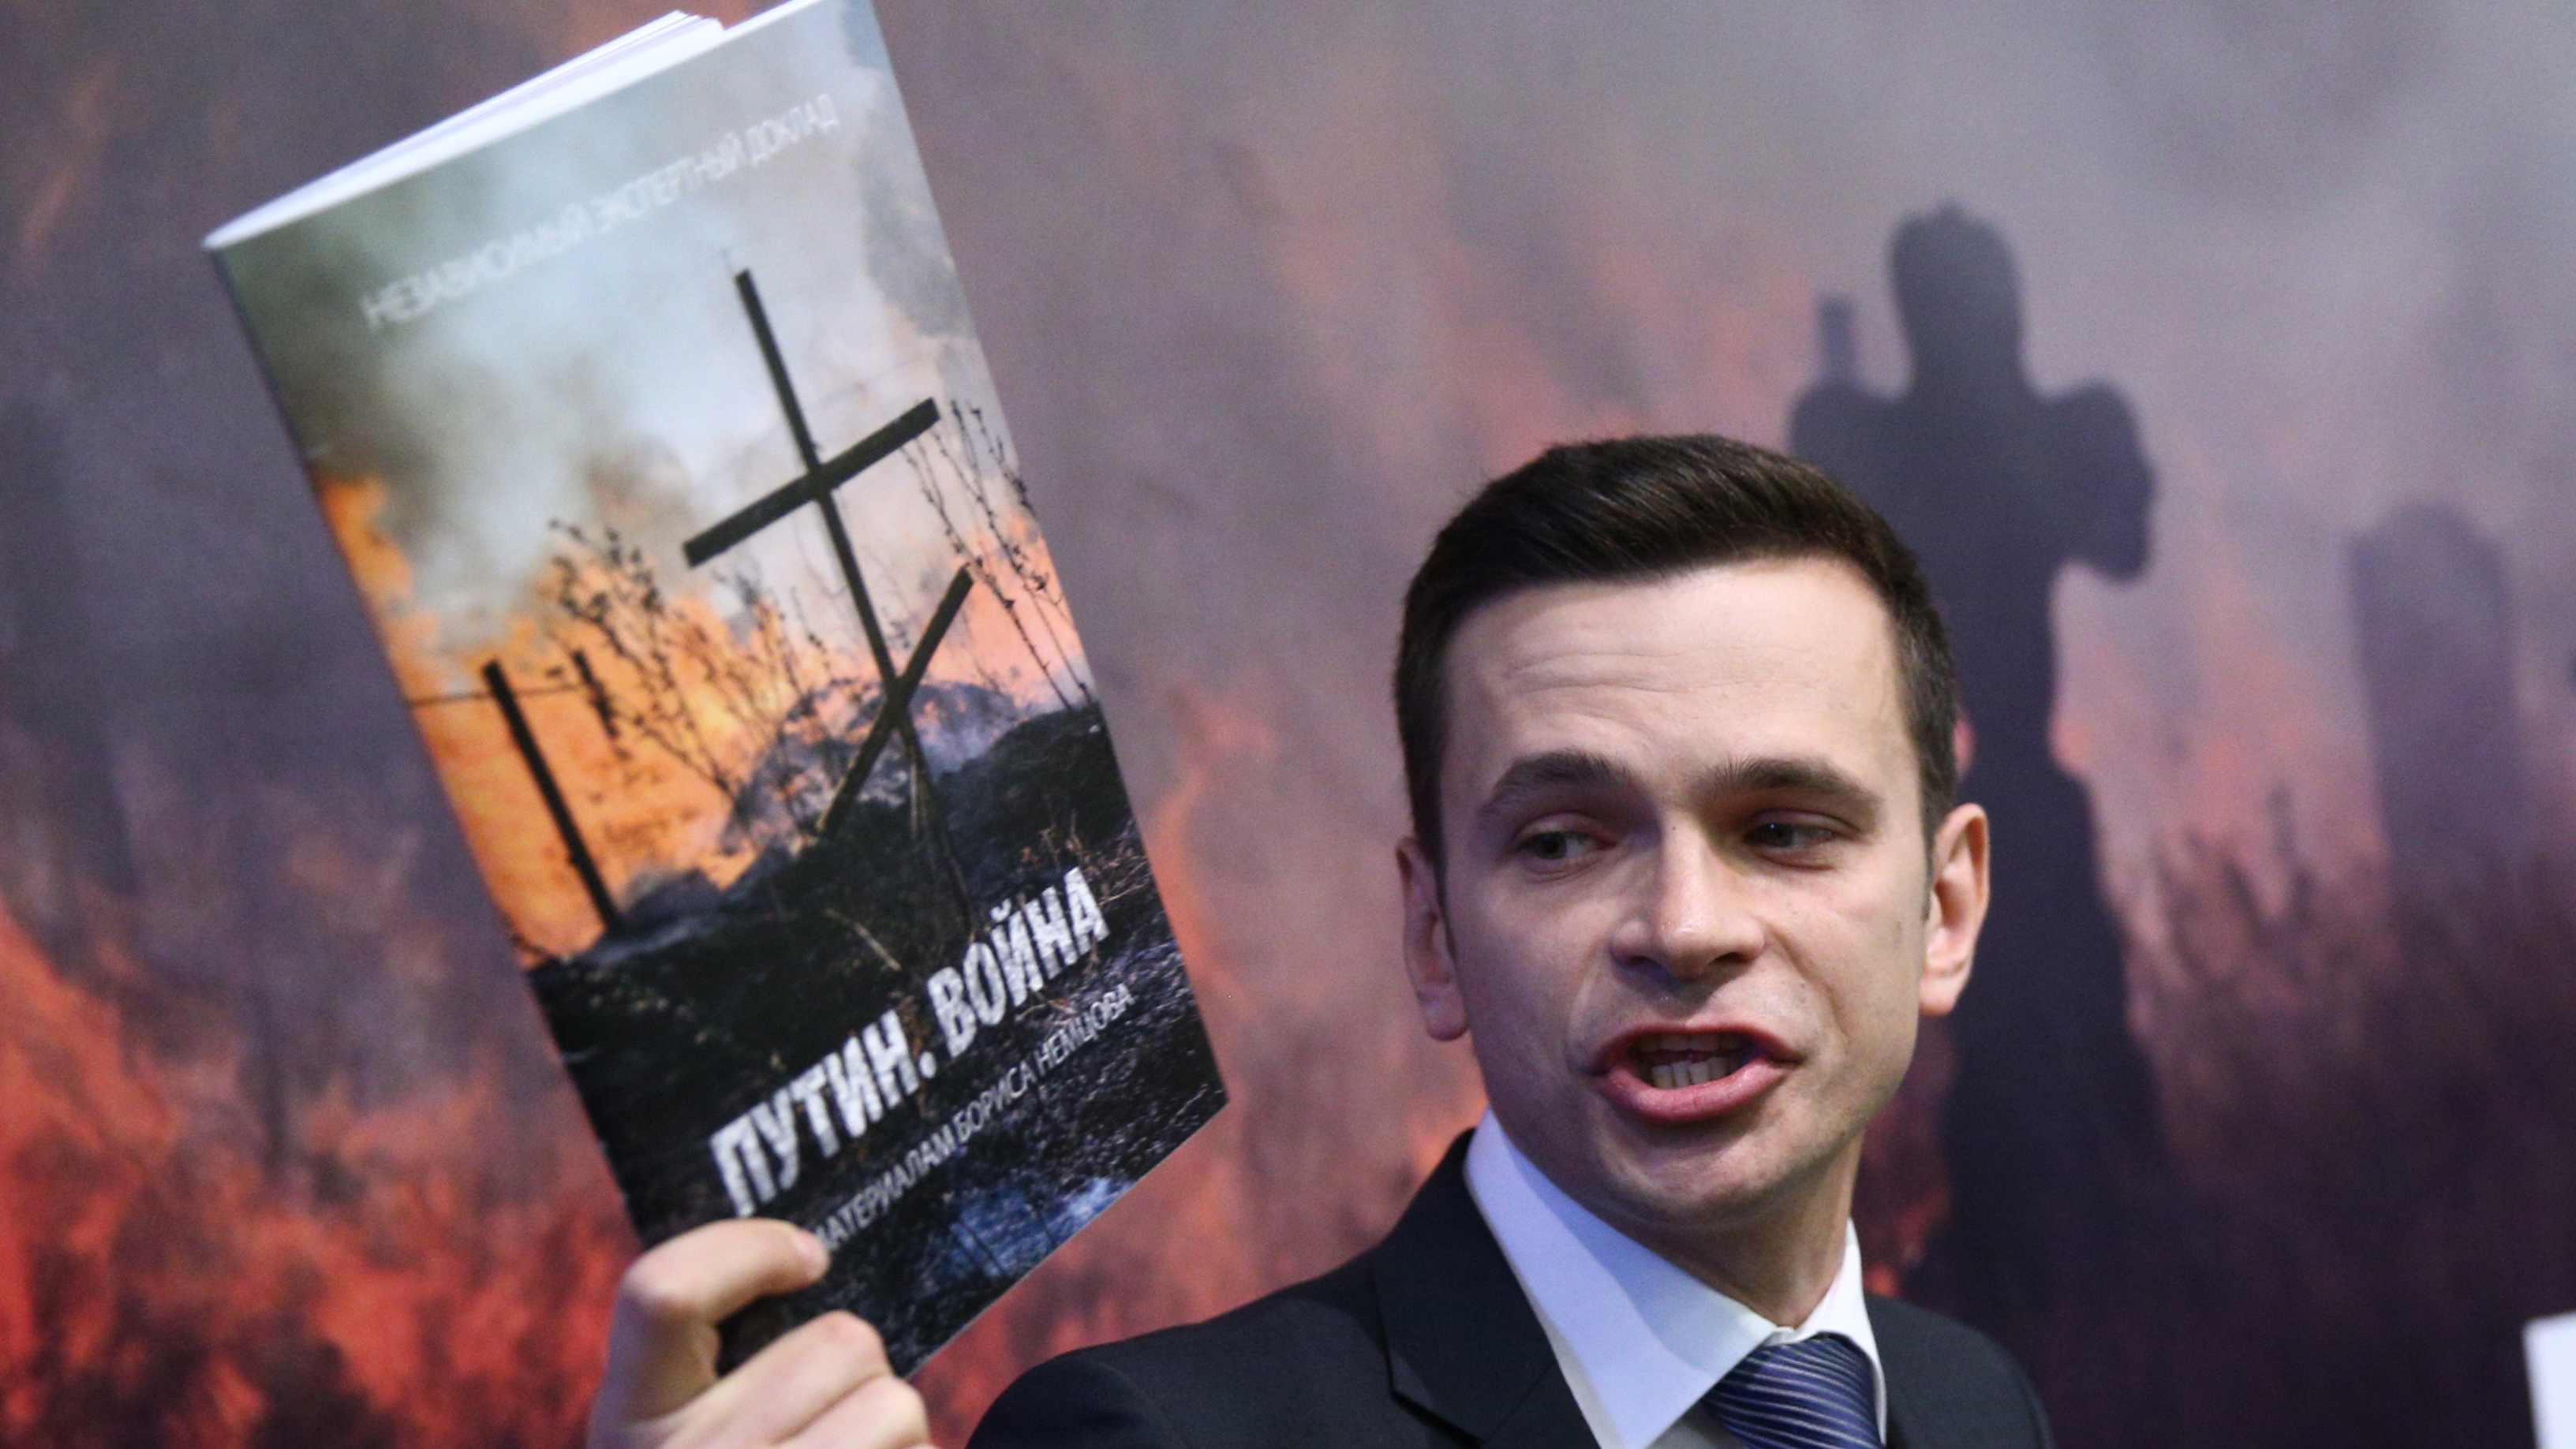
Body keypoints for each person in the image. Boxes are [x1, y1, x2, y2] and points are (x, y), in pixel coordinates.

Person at [589, 434, 2050, 1448]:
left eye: (1784, 828)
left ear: (1943, 909)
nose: (1683, 927)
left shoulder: (1974, 1406)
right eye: (1562, 840)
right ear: (1432, 933)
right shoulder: (1154, 1442)